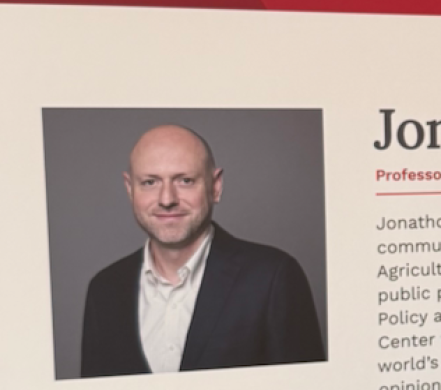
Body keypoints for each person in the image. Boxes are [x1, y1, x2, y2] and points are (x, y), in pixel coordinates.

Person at [81, 125, 326, 377]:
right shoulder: (104, 290)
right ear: (130, 188)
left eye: (185, 181)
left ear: (215, 186)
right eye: (150, 182)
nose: (167, 199)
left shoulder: (273, 278)